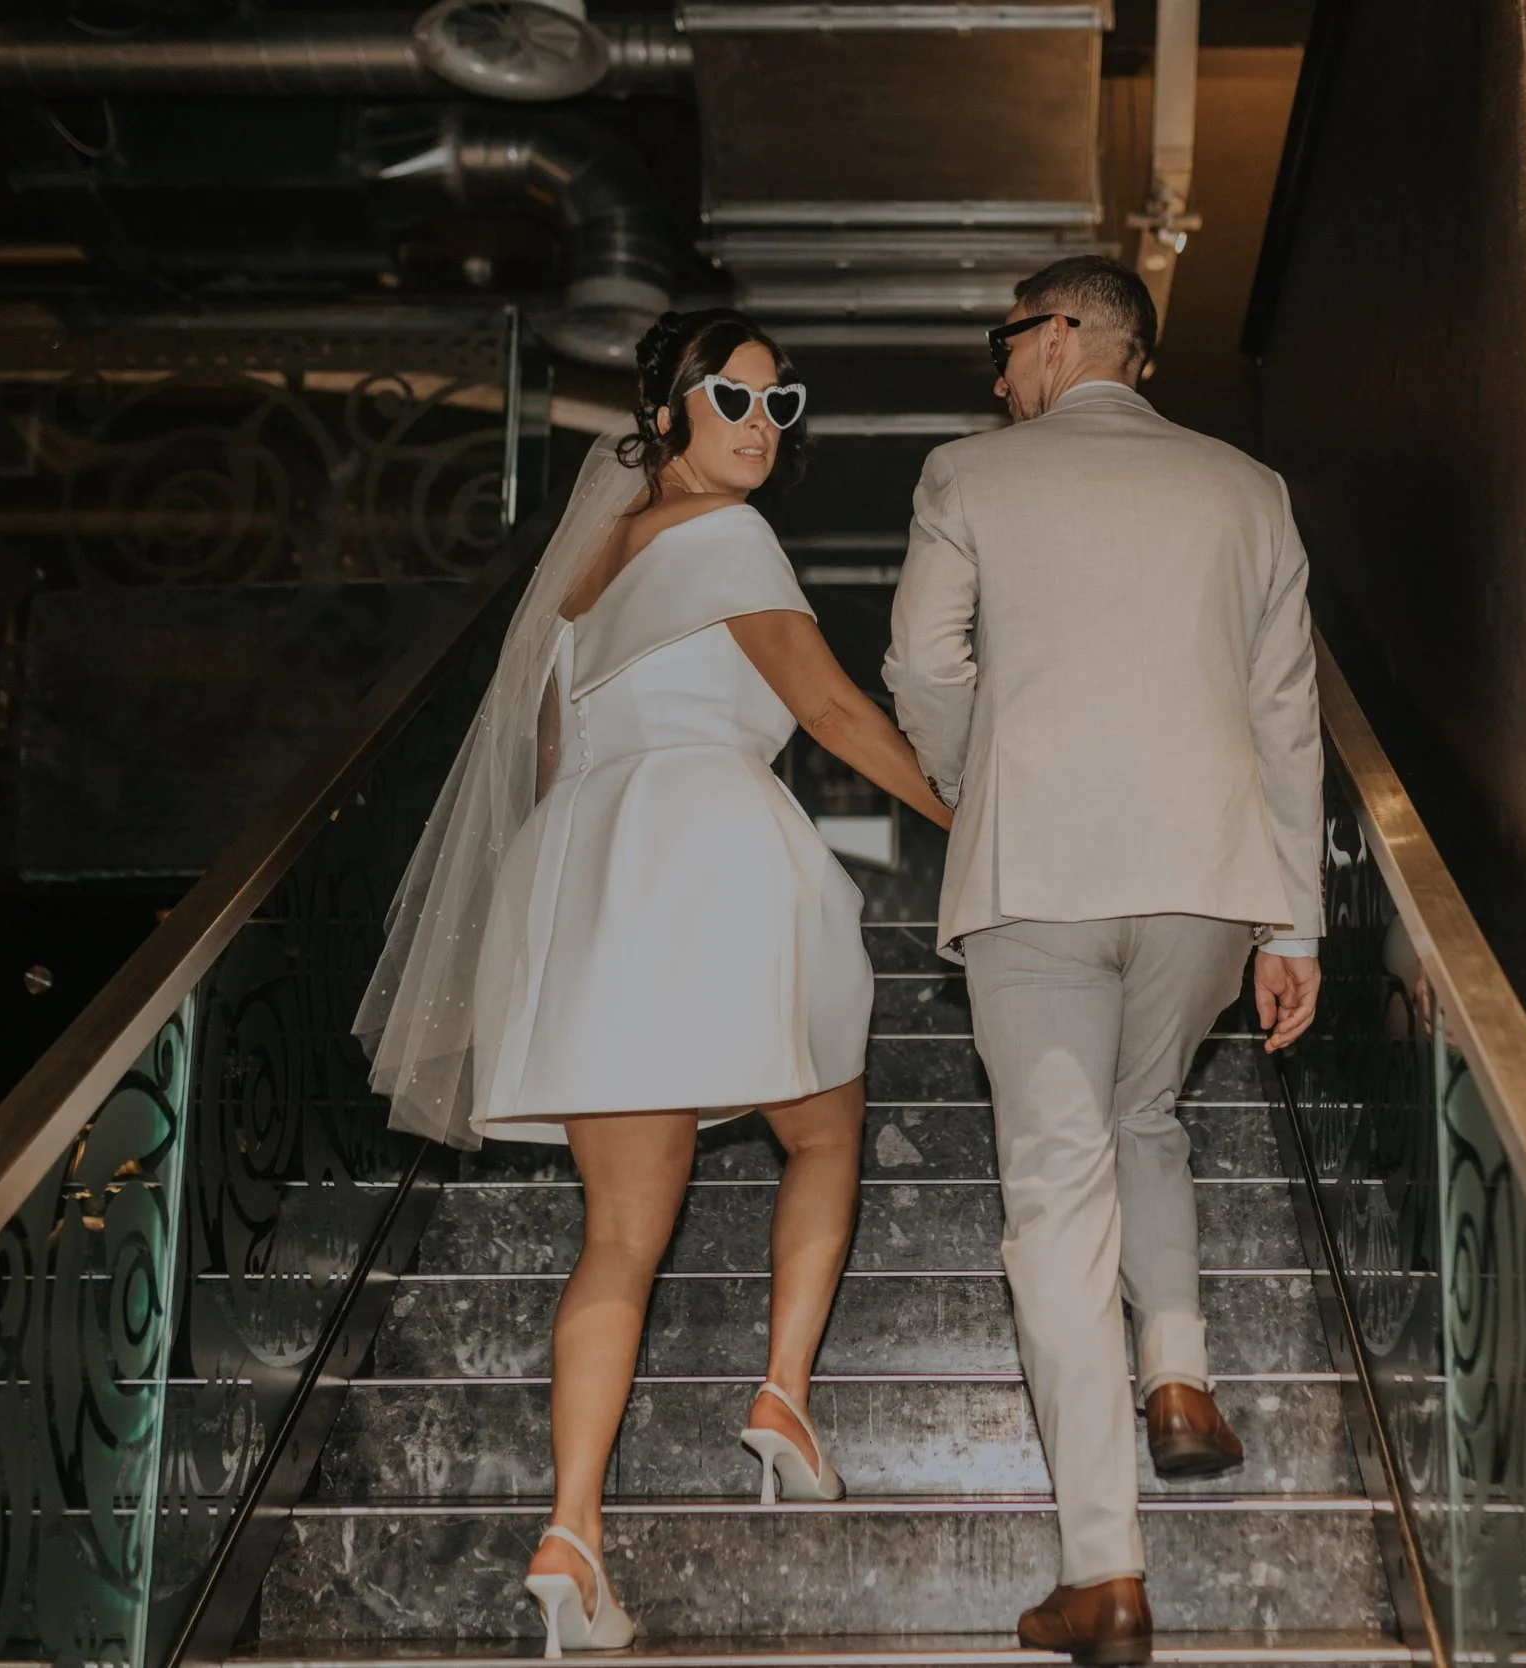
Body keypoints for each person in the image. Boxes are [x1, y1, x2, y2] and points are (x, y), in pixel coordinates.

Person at [356, 309, 952, 1656]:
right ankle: (782, 1391)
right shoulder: (729, 538)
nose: (759, 426)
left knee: (619, 1234)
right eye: (733, 399)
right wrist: (973, 824)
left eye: (776, 406)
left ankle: (574, 1527)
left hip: (585, 884)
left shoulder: (577, 586)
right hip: (713, 853)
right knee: (827, 1126)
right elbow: (837, 715)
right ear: (670, 409)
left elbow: (557, 769)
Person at [883, 256, 1325, 1666]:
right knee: (1149, 1116)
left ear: (1066, 334)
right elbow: (1286, 717)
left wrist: (977, 787)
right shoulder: (1249, 488)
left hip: (1038, 872)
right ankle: (1181, 1380)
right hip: (1207, 879)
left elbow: (923, 667)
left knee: (1056, 1195)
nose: (994, 372)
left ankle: (1104, 1572)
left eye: (1006, 342)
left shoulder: (969, 475)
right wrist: (1294, 923)